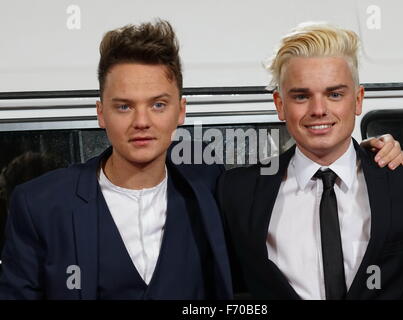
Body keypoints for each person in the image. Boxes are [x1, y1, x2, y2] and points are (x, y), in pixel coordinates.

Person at [0, 20, 232, 299]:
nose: (142, 122)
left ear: (181, 111)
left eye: (158, 105)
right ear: (101, 113)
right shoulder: (40, 205)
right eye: (124, 106)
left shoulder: (209, 184)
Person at [217, 22, 403, 299]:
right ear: (280, 104)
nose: (318, 110)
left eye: (335, 94)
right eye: (302, 96)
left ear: (358, 99)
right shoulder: (238, 193)